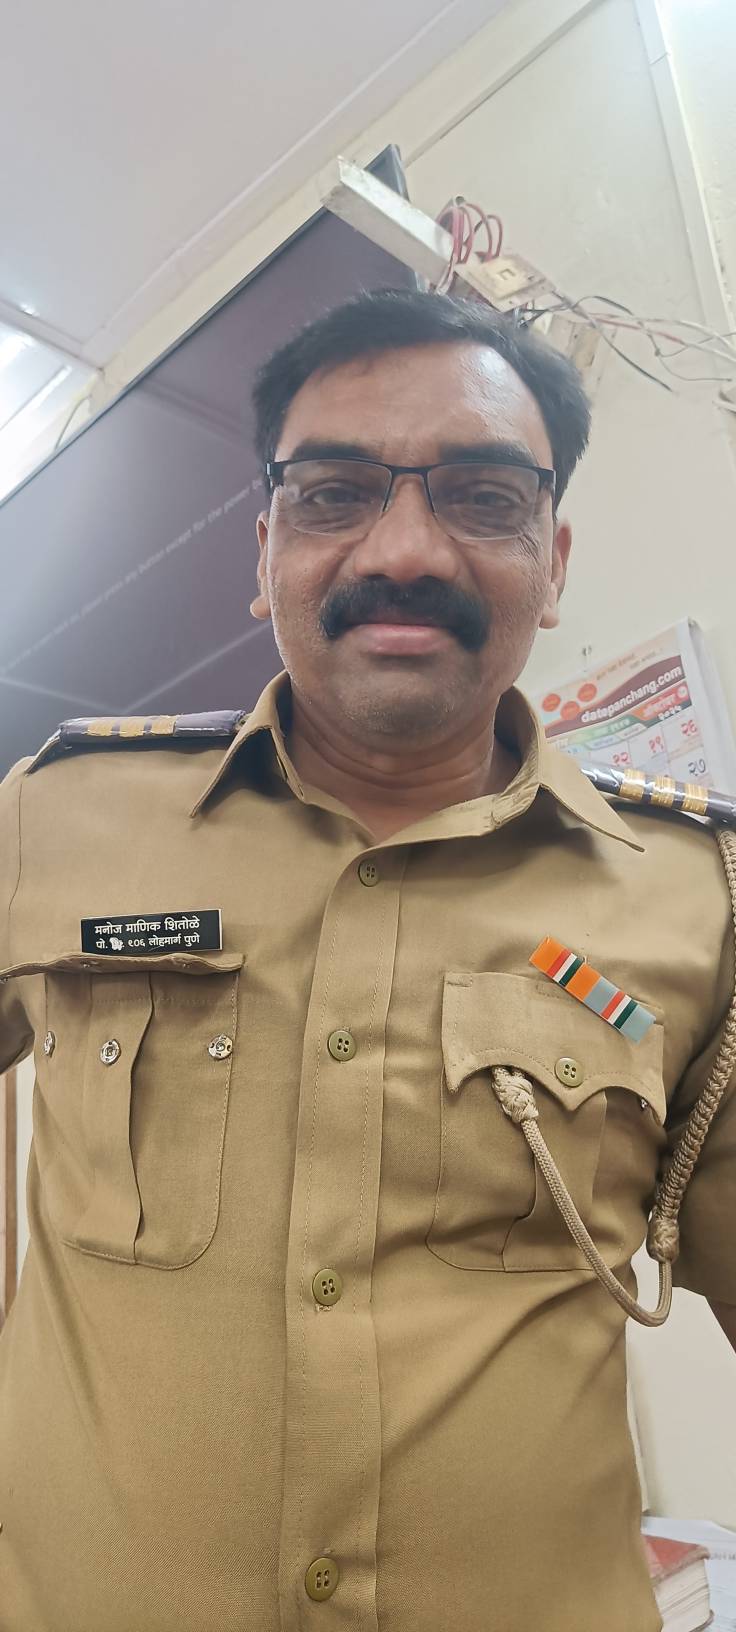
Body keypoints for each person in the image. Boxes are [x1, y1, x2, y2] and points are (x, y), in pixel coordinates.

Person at [0, 289, 734, 1632]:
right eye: (334, 495)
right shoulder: (52, 819)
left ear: (554, 563)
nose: (405, 549)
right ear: (265, 547)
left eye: (483, 498)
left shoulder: (702, 897)